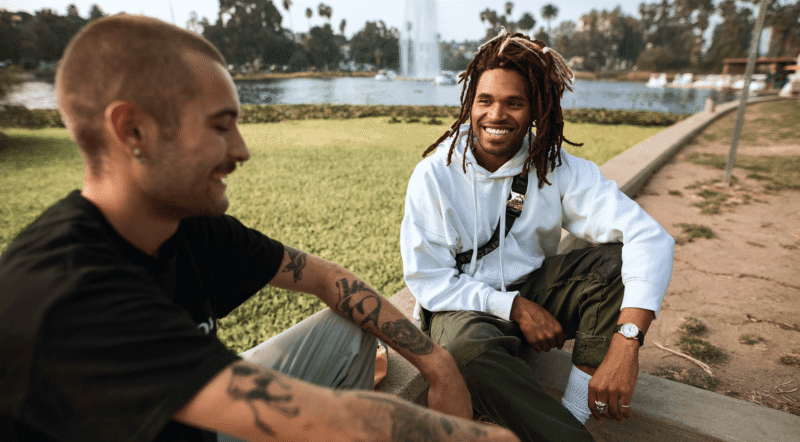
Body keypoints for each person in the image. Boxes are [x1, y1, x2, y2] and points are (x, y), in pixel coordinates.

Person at [0, 15, 520, 442]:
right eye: (221, 126)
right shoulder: (66, 292)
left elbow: (327, 278)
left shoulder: (184, 226)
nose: (241, 150)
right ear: (133, 130)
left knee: (347, 325)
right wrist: (478, 436)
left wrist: (437, 363)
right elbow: (319, 418)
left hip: (187, 414)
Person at [400, 30, 675, 442]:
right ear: (468, 104)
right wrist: (514, 308)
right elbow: (429, 280)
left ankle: (576, 411)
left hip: (536, 290)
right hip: (462, 307)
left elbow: (650, 239)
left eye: (514, 102)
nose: (496, 115)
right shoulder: (435, 175)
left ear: (535, 111)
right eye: (485, 101)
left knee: (617, 264)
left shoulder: (555, 167)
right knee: (464, 352)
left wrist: (626, 342)